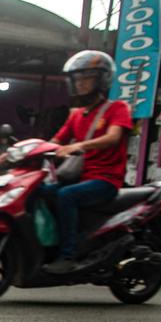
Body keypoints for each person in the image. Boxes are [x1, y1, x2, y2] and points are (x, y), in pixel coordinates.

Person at [41, 50, 133, 275]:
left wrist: (80, 146)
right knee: (40, 190)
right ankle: (51, 245)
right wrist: (22, 151)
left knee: (66, 195)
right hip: (81, 177)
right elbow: (55, 141)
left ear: (101, 79)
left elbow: (113, 137)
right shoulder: (76, 114)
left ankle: (68, 255)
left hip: (106, 180)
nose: (80, 84)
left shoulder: (117, 108)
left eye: (86, 78)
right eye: (77, 79)